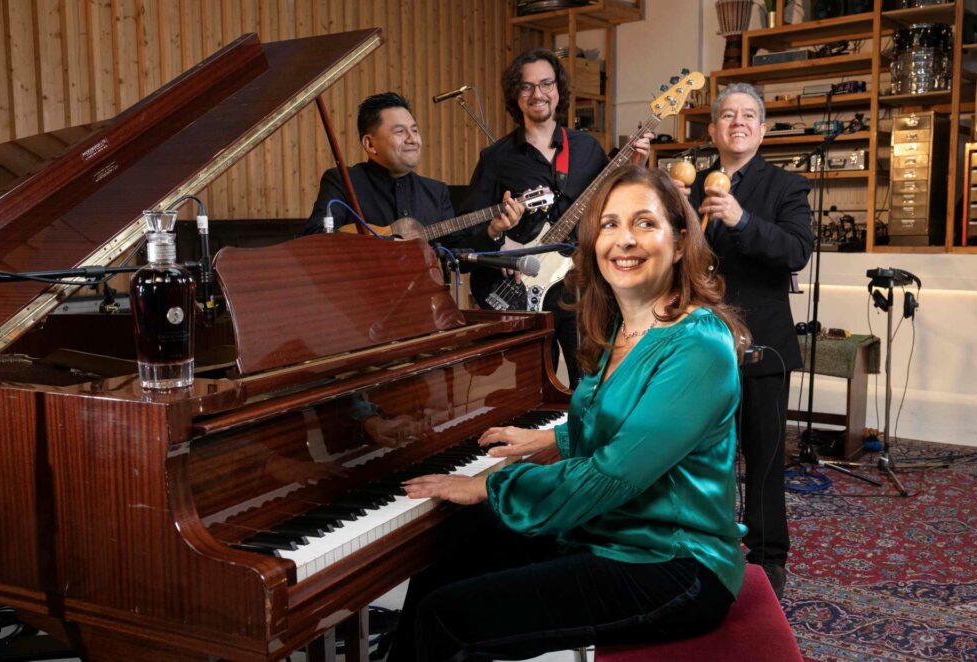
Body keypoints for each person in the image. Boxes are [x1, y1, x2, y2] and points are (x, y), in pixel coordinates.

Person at [387, 165, 750, 661]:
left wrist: (488, 485)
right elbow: (614, 422)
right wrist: (547, 442)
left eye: (644, 223)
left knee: (447, 616)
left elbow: (611, 475)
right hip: (606, 531)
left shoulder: (699, 345)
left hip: (673, 563)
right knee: (450, 552)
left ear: (682, 242)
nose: (623, 240)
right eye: (609, 224)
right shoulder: (622, 328)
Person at [682, 82, 813, 600]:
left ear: (761, 129)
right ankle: (702, 549)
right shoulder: (688, 186)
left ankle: (767, 559)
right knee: (698, 456)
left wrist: (741, 220)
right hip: (696, 346)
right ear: (713, 129)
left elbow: (796, 250)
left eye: (749, 115)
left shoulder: (786, 186)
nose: (738, 122)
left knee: (762, 459)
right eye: (727, 115)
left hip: (763, 345)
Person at [460, 49, 654, 387]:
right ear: (515, 95)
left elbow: (614, 206)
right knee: (535, 387)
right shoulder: (496, 159)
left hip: (579, 288)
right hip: (523, 293)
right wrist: (498, 242)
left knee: (592, 383)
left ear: (558, 90)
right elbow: (469, 230)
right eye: (527, 86)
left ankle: (586, 439)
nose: (538, 94)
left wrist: (635, 163)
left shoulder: (586, 149)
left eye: (546, 83)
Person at [304, 92, 522, 249]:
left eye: (415, 130)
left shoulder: (436, 192)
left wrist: (493, 231)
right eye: (400, 131)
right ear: (370, 145)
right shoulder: (343, 181)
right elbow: (315, 238)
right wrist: (385, 244)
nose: (412, 139)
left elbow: (457, 254)